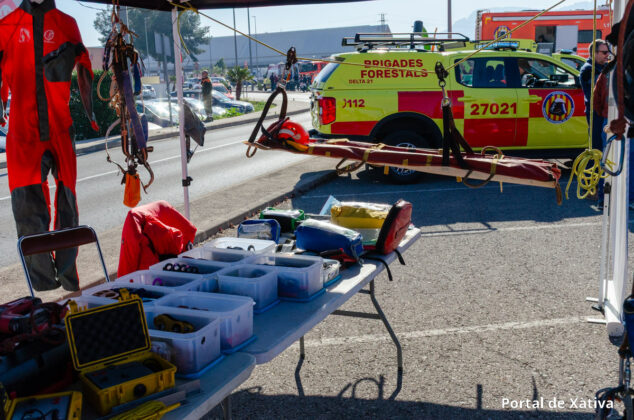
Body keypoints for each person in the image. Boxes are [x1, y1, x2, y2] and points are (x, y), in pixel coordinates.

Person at [0, 0, 98, 291]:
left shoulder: (67, 24)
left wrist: (91, 113)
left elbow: (84, 68)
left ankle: (68, 275)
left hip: (59, 126)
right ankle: (42, 281)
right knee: (27, 207)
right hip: (23, 133)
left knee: (67, 202)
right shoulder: (7, 27)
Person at [580, 39, 611, 205]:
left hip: (599, 114)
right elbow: (596, 94)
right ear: (594, 53)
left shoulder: (600, 68)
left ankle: (593, 188)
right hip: (595, 115)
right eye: (604, 52)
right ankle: (590, 188)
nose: (607, 55)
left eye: (608, 52)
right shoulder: (588, 70)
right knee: (597, 151)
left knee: (600, 151)